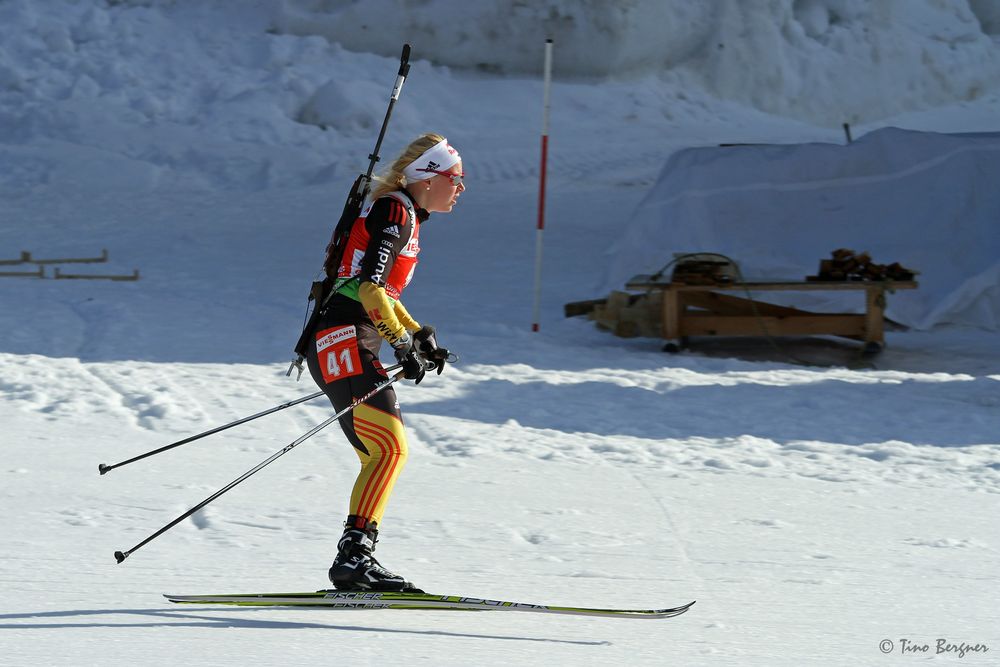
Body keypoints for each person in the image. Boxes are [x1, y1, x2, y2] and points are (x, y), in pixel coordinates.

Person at [305, 133, 464, 592]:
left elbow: (383, 295)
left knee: (378, 455)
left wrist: (416, 334)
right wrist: (401, 343)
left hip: (344, 340)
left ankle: (355, 560)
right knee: (390, 450)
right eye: (455, 179)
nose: (459, 188)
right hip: (345, 337)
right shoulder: (395, 211)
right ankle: (354, 560)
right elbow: (371, 291)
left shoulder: (405, 212)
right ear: (428, 177)